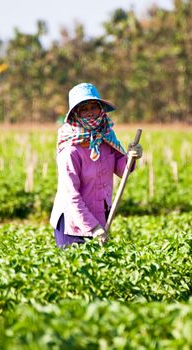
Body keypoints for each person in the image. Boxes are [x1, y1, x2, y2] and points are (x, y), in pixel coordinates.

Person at [50, 83, 142, 248]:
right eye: (84, 109)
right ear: (76, 114)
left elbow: (123, 170)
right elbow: (71, 196)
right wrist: (94, 228)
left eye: (94, 107)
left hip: (101, 214)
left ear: (101, 109)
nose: (90, 112)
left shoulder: (106, 137)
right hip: (73, 225)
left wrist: (132, 157)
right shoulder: (70, 151)